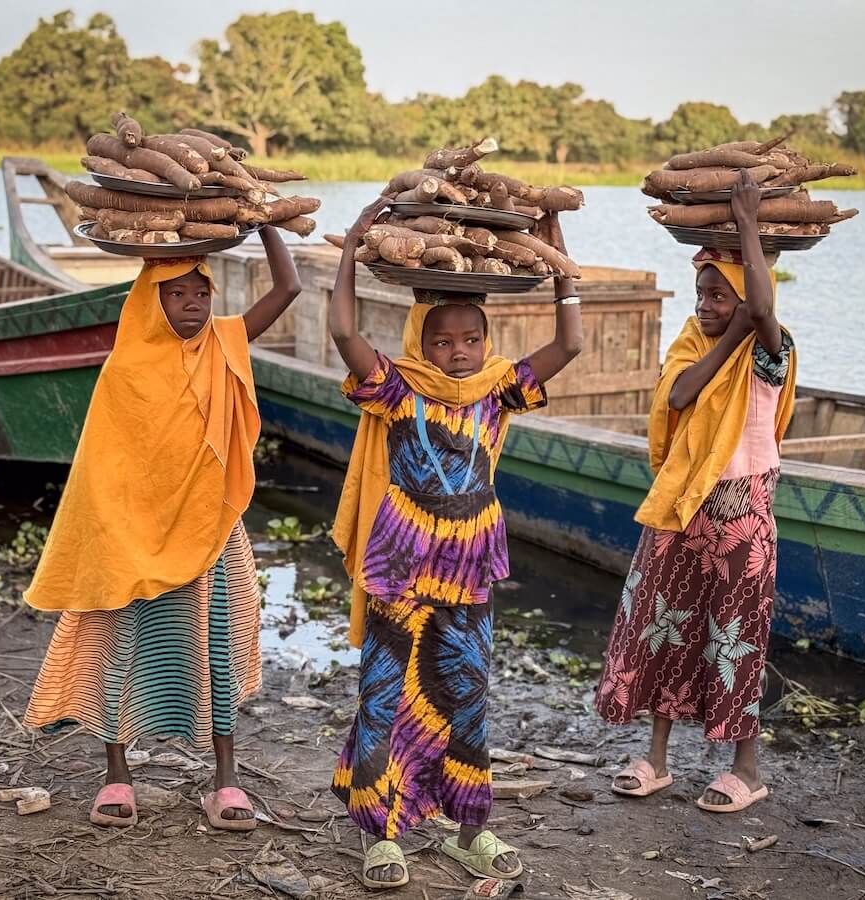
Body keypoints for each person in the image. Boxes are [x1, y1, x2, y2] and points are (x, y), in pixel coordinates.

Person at [328, 199, 583, 889]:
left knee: (466, 694)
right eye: (443, 341)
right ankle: (379, 834)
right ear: (420, 343)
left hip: (470, 574)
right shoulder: (397, 389)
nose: (459, 350)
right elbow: (344, 331)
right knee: (385, 697)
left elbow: (570, 347)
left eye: (471, 338)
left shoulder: (498, 395)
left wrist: (561, 267)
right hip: (402, 571)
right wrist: (352, 249)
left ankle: (471, 827)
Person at [22, 226, 301, 831]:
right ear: (152, 301)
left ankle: (225, 781)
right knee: (118, 653)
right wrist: (113, 541)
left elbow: (289, 286)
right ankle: (116, 776)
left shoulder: (224, 343)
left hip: (209, 531)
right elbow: (106, 470)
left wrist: (264, 223)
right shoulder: (125, 370)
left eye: (202, 290)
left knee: (216, 648)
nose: (195, 302)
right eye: (176, 294)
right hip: (131, 541)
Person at [595, 171, 797, 814]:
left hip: (740, 520)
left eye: (717, 295)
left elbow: (762, 312)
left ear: (743, 299)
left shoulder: (771, 353)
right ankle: (656, 758)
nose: (704, 305)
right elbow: (681, 397)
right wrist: (729, 328)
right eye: (700, 293)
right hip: (681, 511)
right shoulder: (693, 347)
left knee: (736, 637)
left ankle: (746, 769)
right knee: (664, 630)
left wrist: (747, 228)